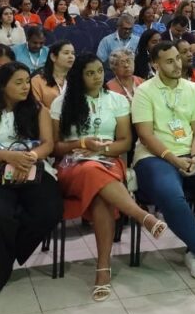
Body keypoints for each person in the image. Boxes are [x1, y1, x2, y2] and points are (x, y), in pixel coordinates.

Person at [52, 53, 166, 301]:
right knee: (91, 172)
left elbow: (124, 142)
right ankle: (140, 215)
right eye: (89, 73)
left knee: (99, 193)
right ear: (79, 76)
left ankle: (103, 269)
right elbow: (56, 147)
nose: (96, 77)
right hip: (72, 165)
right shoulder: (61, 103)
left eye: (99, 72)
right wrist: (82, 143)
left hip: (108, 162)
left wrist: (100, 150)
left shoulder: (116, 100)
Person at [131, 41, 195, 282]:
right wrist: (175, 161)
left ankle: (194, 251)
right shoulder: (144, 91)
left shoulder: (193, 88)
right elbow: (145, 136)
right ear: (155, 64)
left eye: (178, 58)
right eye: (169, 61)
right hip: (154, 157)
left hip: (190, 153)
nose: (177, 64)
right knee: (172, 195)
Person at [0, 61, 63, 296]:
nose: (25, 87)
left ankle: (2, 259)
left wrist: (29, 158)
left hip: (32, 167)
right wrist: (9, 157)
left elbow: (48, 144)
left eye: (27, 82)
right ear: (2, 85)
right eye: (18, 82)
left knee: (49, 211)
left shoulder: (38, 109)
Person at [32, 41, 74, 109]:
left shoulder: (76, 80)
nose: (71, 56)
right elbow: (36, 108)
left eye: (73, 53)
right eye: (66, 53)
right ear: (53, 57)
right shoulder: (37, 81)